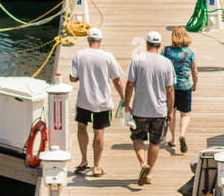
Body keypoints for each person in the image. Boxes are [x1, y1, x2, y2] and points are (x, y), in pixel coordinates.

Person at [69, 28, 123, 178]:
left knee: (82, 127)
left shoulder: (79, 55)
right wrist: (124, 97)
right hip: (103, 101)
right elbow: (117, 80)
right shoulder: (108, 56)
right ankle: (97, 167)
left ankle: (84, 160)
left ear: (88, 40)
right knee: (99, 132)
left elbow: (72, 78)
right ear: (100, 41)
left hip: (84, 100)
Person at [124, 31, 175, 185]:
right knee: (155, 143)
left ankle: (142, 163)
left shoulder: (137, 60)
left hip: (140, 109)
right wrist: (170, 110)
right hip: (159, 110)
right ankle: (150, 172)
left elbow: (130, 83)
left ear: (146, 44)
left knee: (137, 138)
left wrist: (127, 104)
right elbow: (170, 89)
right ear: (159, 46)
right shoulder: (166, 63)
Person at [163, 26, 197, 153]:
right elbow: (195, 71)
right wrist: (195, 83)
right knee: (185, 114)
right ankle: (182, 134)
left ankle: (173, 140)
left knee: (171, 112)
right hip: (185, 86)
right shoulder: (189, 52)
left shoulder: (166, 51)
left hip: (170, 86)